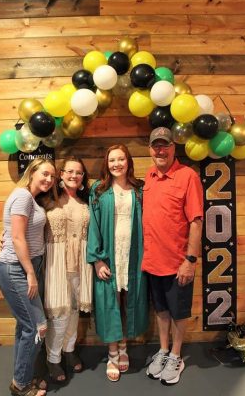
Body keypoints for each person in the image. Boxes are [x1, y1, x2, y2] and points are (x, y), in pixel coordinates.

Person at [142, 127, 203, 385]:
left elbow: (197, 221)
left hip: (178, 263)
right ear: (150, 149)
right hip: (152, 261)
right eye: (156, 146)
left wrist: (190, 261)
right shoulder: (149, 176)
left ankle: (177, 356)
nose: (160, 150)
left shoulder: (188, 176)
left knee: (178, 312)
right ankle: (164, 351)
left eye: (165, 145)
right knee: (162, 310)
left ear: (173, 148)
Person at [87, 144, 149, 382]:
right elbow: (93, 225)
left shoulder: (140, 189)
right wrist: (97, 260)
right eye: (112, 160)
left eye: (121, 159)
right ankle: (112, 353)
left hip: (133, 255)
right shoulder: (99, 190)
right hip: (109, 255)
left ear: (128, 161)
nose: (116, 164)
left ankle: (123, 347)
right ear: (107, 163)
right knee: (109, 302)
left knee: (127, 300)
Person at [0, 158, 57, 396]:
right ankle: (20, 386)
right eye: (45, 174)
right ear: (32, 172)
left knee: (25, 327)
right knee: (38, 327)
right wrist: (30, 273)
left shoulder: (30, 198)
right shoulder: (22, 196)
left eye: (52, 176)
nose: (49, 180)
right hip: (17, 269)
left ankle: (22, 377)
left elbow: (15, 231)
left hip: (25, 266)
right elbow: (19, 238)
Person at [43, 156, 93, 382]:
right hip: (55, 265)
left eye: (79, 172)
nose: (74, 176)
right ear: (61, 174)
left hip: (80, 265)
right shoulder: (46, 201)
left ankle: (69, 349)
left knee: (74, 312)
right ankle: (53, 358)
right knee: (59, 315)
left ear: (83, 177)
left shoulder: (86, 203)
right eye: (70, 171)